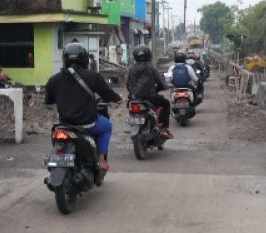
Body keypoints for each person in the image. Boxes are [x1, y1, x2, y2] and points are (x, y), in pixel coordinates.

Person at [45, 42, 121, 171]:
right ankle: (101, 159)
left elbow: (48, 101)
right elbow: (108, 95)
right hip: (87, 124)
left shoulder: (54, 80)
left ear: (65, 59)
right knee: (107, 126)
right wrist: (118, 98)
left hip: (65, 125)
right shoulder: (93, 76)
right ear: (85, 59)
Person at [126, 44, 173, 139]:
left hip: (133, 99)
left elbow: (127, 85)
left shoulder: (131, 69)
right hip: (150, 98)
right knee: (166, 103)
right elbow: (161, 83)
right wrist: (166, 86)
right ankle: (163, 128)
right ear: (149, 55)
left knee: (131, 110)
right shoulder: (151, 68)